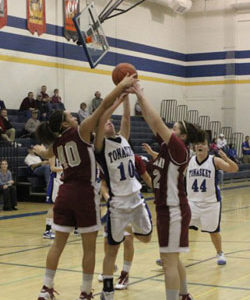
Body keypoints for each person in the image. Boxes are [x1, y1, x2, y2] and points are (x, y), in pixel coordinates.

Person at [33, 74, 137, 300]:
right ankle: (85, 292)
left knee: (57, 246)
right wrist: (121, 87)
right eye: (69, 115)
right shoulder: (81, 130)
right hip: (84, 195)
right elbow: (102, 109)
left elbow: (46, 152)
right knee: (89, 248)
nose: (72, 115)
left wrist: (38, 151)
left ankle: (46, 288)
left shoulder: (57, 142)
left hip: (64, 194)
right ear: (64, 122)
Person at [129, 82, 206, 300]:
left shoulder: (179, 149)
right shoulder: (165, 148)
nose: (170, 130)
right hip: (165, 208)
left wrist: (140, 94)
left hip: (174, 210)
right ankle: (184, 294)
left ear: (181, 137)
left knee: (168, 262)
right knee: (172, 258)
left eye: (175, 129)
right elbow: (150, 121)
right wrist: (136, 99)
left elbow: (156, 121)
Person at [95, 94, 152, 300]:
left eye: (112, 121)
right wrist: (114, 102)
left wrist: (127, 97)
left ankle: (128, 228)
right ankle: (108, 289)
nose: (110, 122)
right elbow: (101, 120)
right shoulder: (100, 147)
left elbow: (126, 119)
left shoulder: (123, 138)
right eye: (107, 122)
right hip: (118, 203)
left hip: (136, 198)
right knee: (112, 248)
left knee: (146, 238)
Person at [98, 154, 152, 290]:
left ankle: (125, 273)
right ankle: (111, 268)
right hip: (116, 203)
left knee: (128, 240)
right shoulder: (105, 159)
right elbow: (103, 185)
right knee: (108, 242)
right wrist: (107, 197)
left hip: (133, 202)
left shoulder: (135, 158)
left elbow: (146, 177)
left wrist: (160, 193)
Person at [187, 138, 238, 265]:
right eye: (197, 143)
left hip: (210, 203)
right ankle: (170, 254)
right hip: (192, 202)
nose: (200, 146)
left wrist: (226, 158)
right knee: (179, 227)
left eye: (203, 144)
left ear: (208, 147)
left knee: (213, 232)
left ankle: (220, 253)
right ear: (194, 147)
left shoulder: (214, 160)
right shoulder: (188, 161)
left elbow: (234, 169)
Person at [43, 156, 63, 239]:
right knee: (53, 206)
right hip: (55, 182)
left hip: (63, 181)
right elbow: (52, 168)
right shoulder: (53, 154)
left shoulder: (63, 152)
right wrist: (65, 168)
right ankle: (47, 231)